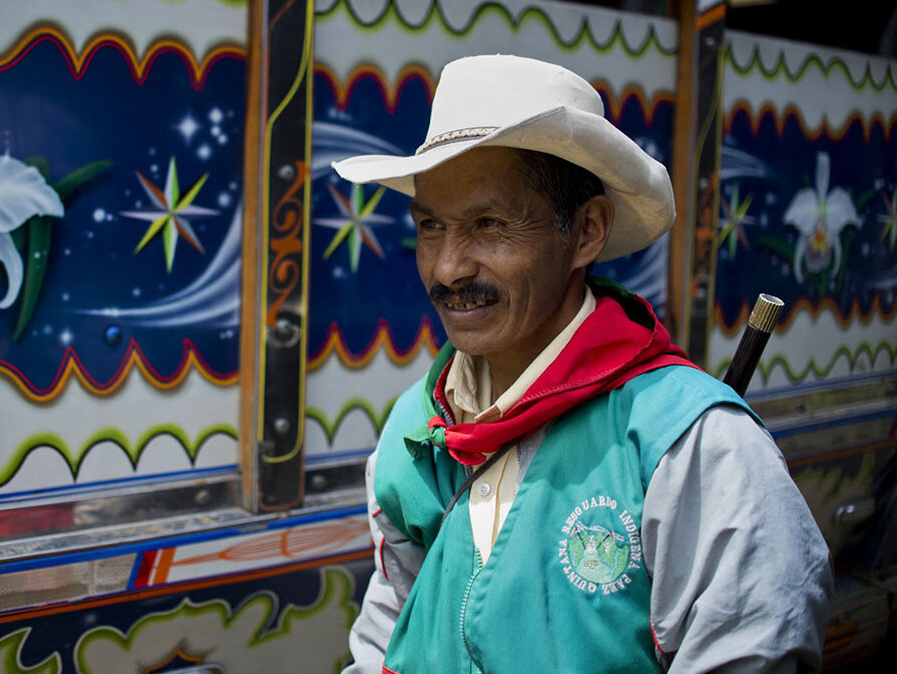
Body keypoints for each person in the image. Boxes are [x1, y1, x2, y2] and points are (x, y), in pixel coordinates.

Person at [331, 54, 832, 673]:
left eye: (490, 224)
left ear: (588, 231)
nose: (447, 267)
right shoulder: (415, 431)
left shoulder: (690, 445)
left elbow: (754, 651)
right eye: (430, 225)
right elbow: (392, 627)